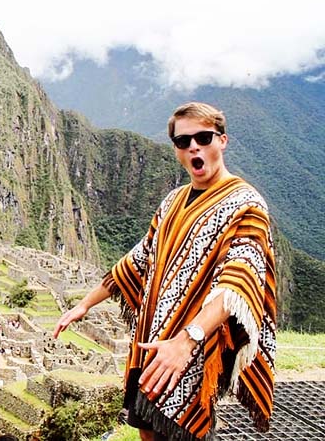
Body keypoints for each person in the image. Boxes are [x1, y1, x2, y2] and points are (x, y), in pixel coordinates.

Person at [54, 102, 276, 441]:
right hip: (153, 341)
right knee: (147, 428)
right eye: (183, 141)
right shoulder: (172, 201)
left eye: (203, 137)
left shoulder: (246, 205)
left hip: (194, 347)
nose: (193, 147)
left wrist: (188, 340)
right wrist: (85, 303)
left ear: (222, 140)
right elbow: (140, 259)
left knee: (184, 429)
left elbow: (238, 283)